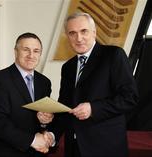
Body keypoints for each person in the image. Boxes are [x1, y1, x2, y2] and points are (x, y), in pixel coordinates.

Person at [51, 12, 138, 157]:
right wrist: (52, 131)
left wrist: (93, 108)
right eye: (72, 33)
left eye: (83, 31)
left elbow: (130, 98)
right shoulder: (68, 67)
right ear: (67, 37)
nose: (78, 38)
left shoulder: (113, 55)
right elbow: (65, 107)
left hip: (106, 148)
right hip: (74, 148)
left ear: (94, 32)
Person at [0, 32, 54, 157]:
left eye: (36, 51)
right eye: (26, 50)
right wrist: (32, 140)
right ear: (16, 52)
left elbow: (40, 119)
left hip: (35, 153)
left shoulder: (44, 82)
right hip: (5, 153)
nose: (31, 55)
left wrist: (44, 121)